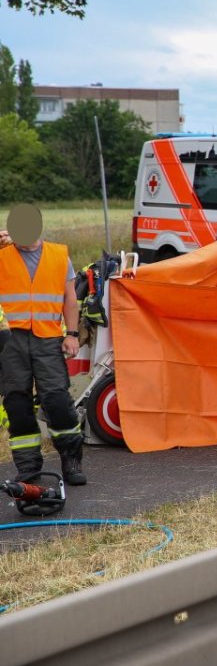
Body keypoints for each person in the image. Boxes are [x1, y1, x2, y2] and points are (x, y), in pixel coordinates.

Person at [0, 204, 86, 485]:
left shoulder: (59, 255)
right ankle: (28, 469)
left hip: (48, 339)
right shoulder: (2, 255)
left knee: (57, 400)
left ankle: (71, 461)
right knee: (17, 404)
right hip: (11, 342)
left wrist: (72, 334)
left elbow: (69, 299)